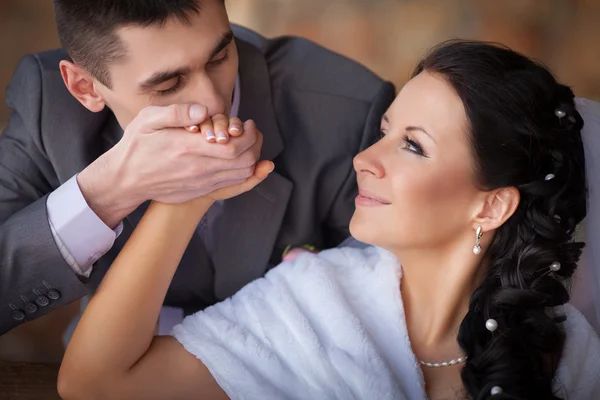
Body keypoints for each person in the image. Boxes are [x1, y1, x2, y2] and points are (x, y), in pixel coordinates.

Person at [57, 40, 600, 400]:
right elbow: (94, 383)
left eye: (411, 145)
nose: (366, 158)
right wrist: (187, 197)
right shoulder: (313, 302)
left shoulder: (565, 352)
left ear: (491, 205)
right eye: (385, 130)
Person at [0, 0, 394, 333]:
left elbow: (390, 294)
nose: (211, 100)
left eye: (221, 56)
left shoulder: (346, 108)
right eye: (168, 86)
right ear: (85, 88)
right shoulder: (47, 109)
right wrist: (106, 193)